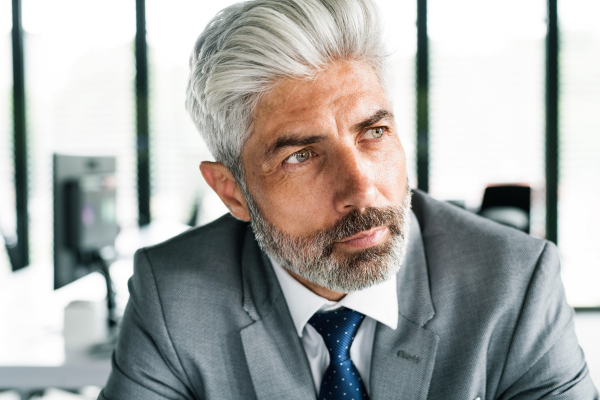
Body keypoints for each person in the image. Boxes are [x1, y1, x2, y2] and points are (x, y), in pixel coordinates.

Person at [99, 0, 598, 399]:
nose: (361, 189)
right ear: (232, 191)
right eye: (301, 156)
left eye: (374, 131)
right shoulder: (176, 295)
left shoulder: (515, 282)